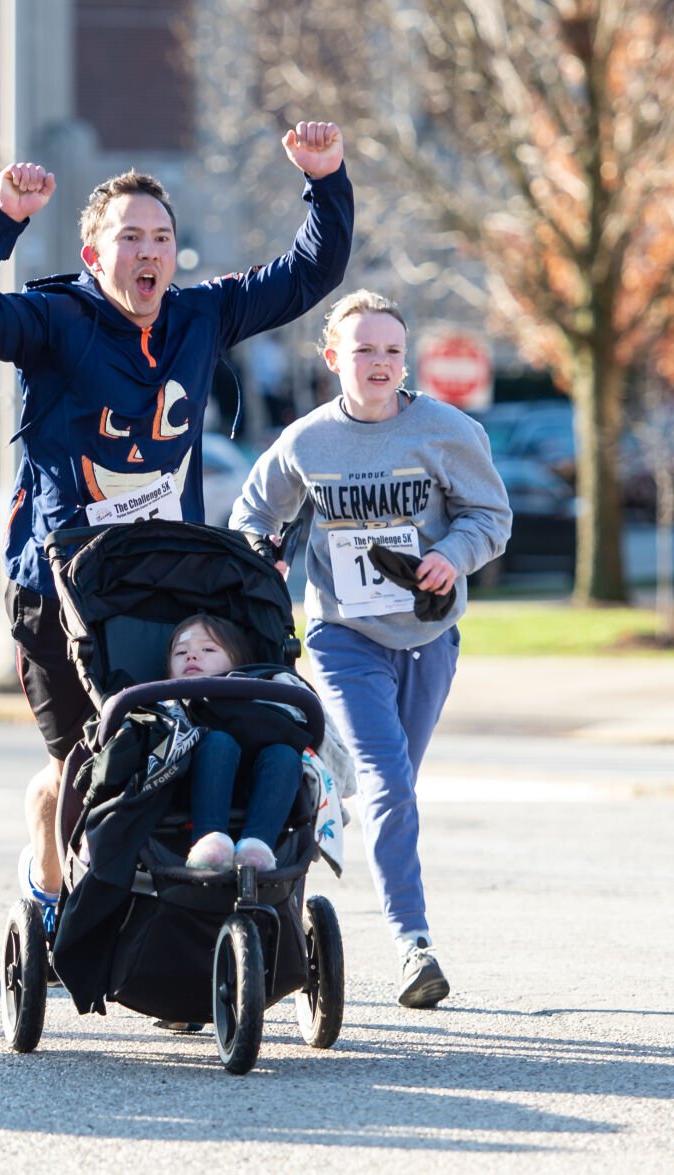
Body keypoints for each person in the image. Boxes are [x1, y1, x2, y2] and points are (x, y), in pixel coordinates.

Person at [0, 119, 353, 922]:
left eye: (160, 236)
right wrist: (2, 222)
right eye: (130, 237)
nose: (148, 251)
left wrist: (325, 180)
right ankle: (49, 890)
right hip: (58, 588)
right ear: (96, 256)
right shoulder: (55, 322)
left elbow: (308, 274)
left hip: (162, 580)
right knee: (75, 765)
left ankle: (175, 919)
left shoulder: (200, 316)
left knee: (180, 749)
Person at [229, 290, 512, 1009]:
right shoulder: (306, 441)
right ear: (333, 359)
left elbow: (491, 517)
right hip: (341, 635)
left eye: (390, 349)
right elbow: (252, 512)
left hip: (425, 637)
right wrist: (265, 551)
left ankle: (323, 778)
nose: (380, 362)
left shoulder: (446, 431)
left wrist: (452, 552)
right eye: (363, 350)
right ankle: (412, 943)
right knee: (389, 783)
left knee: (388, 787)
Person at [167, 613, 302, 873]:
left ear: (238, 663)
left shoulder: (263, 702)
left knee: (284, 754)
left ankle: (258, 846)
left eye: (207, 649)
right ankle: (210, 844)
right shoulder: (167, 707)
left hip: (256, 789)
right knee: (218, 742)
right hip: (185, 789)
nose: (191, 656)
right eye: (181, 652)